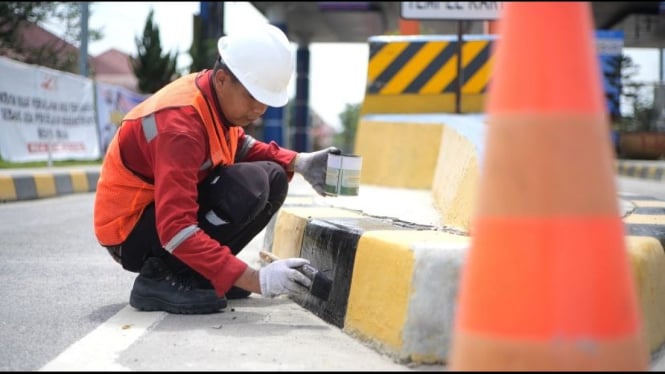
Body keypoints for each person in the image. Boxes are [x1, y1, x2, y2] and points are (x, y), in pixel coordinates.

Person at [93, 24, 339, 314]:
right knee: (248, 184)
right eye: (253, 96)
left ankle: (201, 272)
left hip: (156, 219)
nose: (260, 109)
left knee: (273, 177)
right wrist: (256, 280)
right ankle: (158, 277)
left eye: (266, 100)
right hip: (130, 233)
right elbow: (175, 228)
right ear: (222, 79)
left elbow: (240, 147)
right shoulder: (180, 127)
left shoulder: (213, 99)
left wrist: (300, 162)